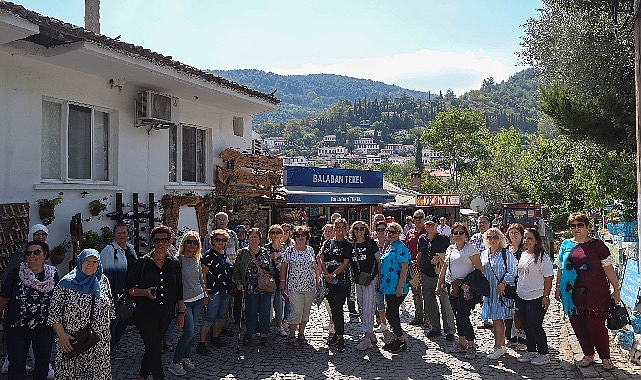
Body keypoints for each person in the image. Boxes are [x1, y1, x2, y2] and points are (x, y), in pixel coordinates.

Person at [555, 212, 620, 371]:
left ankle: (605, 357)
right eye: (573, 226)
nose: (576, 229)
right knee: (578, 325)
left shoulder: (597, 245)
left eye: (580, 225)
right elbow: (560, 268)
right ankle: (588, 354)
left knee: (596, 326)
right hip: (571, 295)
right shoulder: (565, 245)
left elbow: (608, 268)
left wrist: (616, 288)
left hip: (596, 295)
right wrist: (557, 287)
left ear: (586, 226)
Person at [124, 225, 185, 380]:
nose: (160, 243)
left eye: (164, 239)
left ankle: (142, 376)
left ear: (170, 241)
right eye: (157, 240)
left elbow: (179, 290)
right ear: (152, 242)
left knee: (152, 347)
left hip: (165, 314)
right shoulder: (142, 263)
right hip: (145, 314)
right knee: (156, 348)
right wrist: (143, 292)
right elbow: (127, 289)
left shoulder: (175, 264)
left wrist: (181, 313)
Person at [49, 249, 113, 379]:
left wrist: (108, 330)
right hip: (73, 342)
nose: (91, 264)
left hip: (98, 343)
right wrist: (62, 336)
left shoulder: (103, 281)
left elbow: (110, 308)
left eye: (95, 261)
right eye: (87, 261)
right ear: (80, 262)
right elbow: (53, 312)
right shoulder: (66, 283)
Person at [0, 224, 54, 378]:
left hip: (43, 326)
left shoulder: (51, 274)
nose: (32, 256)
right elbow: (4, 296)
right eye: (29, 253)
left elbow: (57, 298)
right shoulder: (16, 272)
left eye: (36, 253)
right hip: (18, 325)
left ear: (44, 255)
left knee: (42, 361)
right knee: (17, 362)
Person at [437, 223, 482, 360]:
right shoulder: (450, 248)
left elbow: (479, 269)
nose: (457, 235)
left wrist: (469, 284)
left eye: (460, 233)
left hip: (465, 288)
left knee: (463, 315)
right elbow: (444, 268)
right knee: (457, 315)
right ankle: (461, 343)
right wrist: (439, 284)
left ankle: (471, 345)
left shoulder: (470, 249)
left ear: (465, 235)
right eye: (455, 233)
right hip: (452, 287)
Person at [168, 231, 206, 376]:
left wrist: (205, 294)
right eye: (189, 242)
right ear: (184, 243)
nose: (192, 245)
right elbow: (175, 284)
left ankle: (186, 358)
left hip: (198, 298)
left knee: (191, 332)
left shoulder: (197, 259)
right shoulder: (178, 260)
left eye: (195, 242)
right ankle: (175, 362)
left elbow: (200, 278)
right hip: (185, 302)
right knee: (188, 332)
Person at [516, 228, 554, 365]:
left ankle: (544, 353)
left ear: (537, 241)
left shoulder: (543, 258)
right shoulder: (524, 254)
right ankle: (531, 350)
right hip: (522, 296)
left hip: (536, 296)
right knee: (526, 325)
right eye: (525, 238)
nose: (526, 241)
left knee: (535, 325)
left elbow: (549, 277)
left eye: (530, 238)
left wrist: (546, 296)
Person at [99, 223, 137, 359]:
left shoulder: (131, 249)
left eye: (124, 232)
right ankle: (109, 349)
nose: (122, 235)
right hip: (115, 292)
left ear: (128, 234)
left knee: (125, 319)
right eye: (119, 233)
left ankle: (115, 344)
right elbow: (105, 273)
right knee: (113, 321)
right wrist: (110, 293)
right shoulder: (109, 250)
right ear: (114, 235)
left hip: (129, 292)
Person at [233, 228, 275, 347]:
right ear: (247, 238)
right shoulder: (243, 253)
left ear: (259, 239)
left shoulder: (265, 252)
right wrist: (239, 282)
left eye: (255, 237)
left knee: (265, 311)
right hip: (250, 287)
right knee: (250, 311)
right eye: (251, 237)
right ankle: (249, 333)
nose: (253, 239)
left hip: (264, 287)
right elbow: (236, 270)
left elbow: (270, 268)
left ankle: (263, 334)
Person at [480, 228, 517, 360]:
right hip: (489, 292)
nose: (492, 240)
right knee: (496, 319)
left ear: (500, 238)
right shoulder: (484, 254)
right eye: (489, 237)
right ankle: (501, 345)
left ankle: (499, 346)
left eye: (495, 237)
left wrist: (504, 283)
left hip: (501, 291)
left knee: (497, 319)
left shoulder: (506, 254)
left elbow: (513, 270)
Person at [417, 218, 456, 341]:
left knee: (445, 303)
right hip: (426, 274)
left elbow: (451, 255)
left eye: (433, 225)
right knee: (429, 302)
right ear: (425, 226)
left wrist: (440, 258)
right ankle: (435, 328)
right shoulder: (422, 239)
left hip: (441, 275)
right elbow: (420, 255)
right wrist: (418, 271)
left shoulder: (444, 239)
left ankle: (449, 330)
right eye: (428, 225)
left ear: (437, 226)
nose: (431, 227)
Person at [196, 229, 233, 355]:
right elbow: (203, 276)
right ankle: (201, 343)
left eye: (223, 240)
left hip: (225, 290)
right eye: (218, 240)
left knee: (220, 316)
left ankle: (215, 337)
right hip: (212, 292)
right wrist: (205, 292)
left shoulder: (224, 254)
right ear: (212, 241)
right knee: (209, 316)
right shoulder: (208, 256)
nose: (220, 242)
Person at [280, 226, 318, 346]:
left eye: (303, 235)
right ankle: (292, 334)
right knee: (296, 311)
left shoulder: (310, 250)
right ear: (294, 237)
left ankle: (301, 334)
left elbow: (315, 266)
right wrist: (282, 282)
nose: (300, 237)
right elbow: (284, 267)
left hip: (309, 286)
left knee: (305, 311)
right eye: (298, 235)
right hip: (294, 286)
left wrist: (317, 280)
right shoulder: (289, 251)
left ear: (307, 237)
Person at [319, 218, 352, 352]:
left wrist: (333, 275)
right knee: (332, 309)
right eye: (337, 227)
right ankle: (336, 333)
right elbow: (321, 259)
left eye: (343, 227)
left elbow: (345, 263)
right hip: (328, 282)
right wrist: (327, 274)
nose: (340, 230)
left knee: (338, 309)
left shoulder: (348, 245)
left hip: (341, 281)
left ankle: (340, 337)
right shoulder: (327, 243)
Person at [379, 222, 410, 354]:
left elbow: (404, 267)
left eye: (394, 232)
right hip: (388, 286)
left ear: (399, 233)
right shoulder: (388, 246)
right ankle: (397, 338)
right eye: (389, 232)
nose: (391, 234)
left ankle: (402, 340)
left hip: (397, 286)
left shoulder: (400, 247)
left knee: (390, 314)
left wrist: (400, 286)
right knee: (392, 313)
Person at [349, 221, 380, 351]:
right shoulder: (351, 245)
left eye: (362, 228)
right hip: (358, 280)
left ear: (365, 230)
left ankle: (366, 338)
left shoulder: (372, 244)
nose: (359, 231)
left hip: (370, 280)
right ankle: (370, 332)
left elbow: (379, 261)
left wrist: (379, 279)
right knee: (361, 306)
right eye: (356, 229)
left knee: (368, 308)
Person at [403, 209, 427, 326]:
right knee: (416, 293)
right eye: (416, 217)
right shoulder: (410, 233)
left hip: (425, 266)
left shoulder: (428, 232)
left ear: (424, 219)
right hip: (412, 267)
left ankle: (428, 318)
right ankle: (419, 316)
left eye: (420, 217)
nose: (418, 219)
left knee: (427, 293)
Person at [505, 223, 527, 350]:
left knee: (520, 312)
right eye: (511, 232)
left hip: (522, 285)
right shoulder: (506, 249)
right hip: (508, 285)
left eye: (516, 233)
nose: (513, 235)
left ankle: (522, 340)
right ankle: (511, 337)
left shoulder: (524, 250)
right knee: (508, 312)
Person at [469, 216, 493, 330]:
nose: (482, 224)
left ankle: (494, 319)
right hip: (477, 271)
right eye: (480, 222)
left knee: (491, 295)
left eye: (484, 222)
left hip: (491, 271)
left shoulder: (494, 237)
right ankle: (486, 320)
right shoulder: (474, 238)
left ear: (489, 224)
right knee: (482, 296)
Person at [264, 224, 288, 337]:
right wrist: (270, 257)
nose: (275, 235)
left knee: (280, 304)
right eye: (273, 232)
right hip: (269, 280)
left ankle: (280, 326)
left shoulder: (285, 248)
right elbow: (262, 263)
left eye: (277, 232)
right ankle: (265, 327)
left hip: (281, 279)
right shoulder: (266, 248)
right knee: (267, 304)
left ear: (281, 235)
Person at [319, 223, 336, 333]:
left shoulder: (335, 244)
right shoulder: (324, 243)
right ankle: (331, 321)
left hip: (332, 276)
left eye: (330, 231)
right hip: (323, 276)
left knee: (333, 301)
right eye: (326, 231)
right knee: (327, 301)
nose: (327, 233)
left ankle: (334, 323)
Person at [372, 220, 389, 333]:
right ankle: (383, 322)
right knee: (379, 301)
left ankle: (391, 321)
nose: (381, 232)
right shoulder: (374, 244)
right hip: (377, 276)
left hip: (390, 276)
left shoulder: (391, 243)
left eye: (383, 229)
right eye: (379, 230)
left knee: (391, 302)